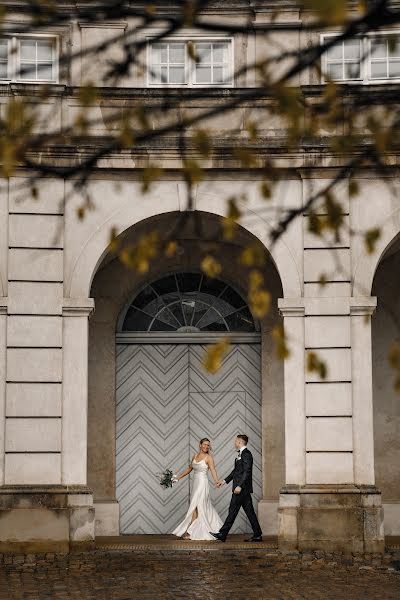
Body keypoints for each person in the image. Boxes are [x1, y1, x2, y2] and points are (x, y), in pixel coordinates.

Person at [210, 434, 263, 542]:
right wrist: (224, 482)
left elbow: (247, 472)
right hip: (243, 490)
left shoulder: (246, 454)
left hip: (241, 489)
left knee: (232, 510)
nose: (234, 443)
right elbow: (236, 471)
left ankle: (223, 534)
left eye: (236, 441)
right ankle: (257, 534)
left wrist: (239, 486)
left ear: (239, 442)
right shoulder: (241, 454)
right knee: (249, 512)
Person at [172, 437, 223, 540]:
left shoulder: (209, 458)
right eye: (204, 444)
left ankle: (194, 532)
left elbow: (213, 470)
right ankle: (193, 532)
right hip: (195, 483)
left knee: (199, 506)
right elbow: (189, 469)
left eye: (208, 445)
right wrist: (178, 478)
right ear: (200, 445)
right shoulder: (195, 456)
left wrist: (217, 481)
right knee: (195, 507)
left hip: (202, 484)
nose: (206, 446)